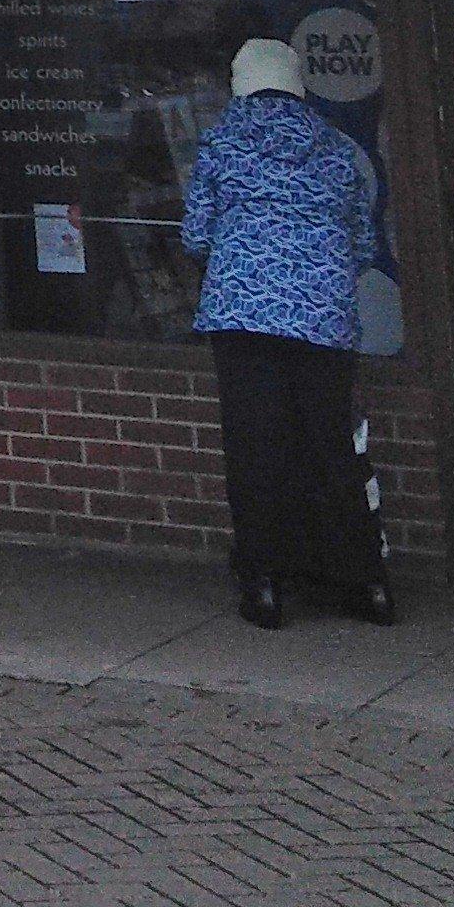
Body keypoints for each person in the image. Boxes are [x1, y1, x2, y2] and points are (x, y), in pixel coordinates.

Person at [181, 36, 391, 629]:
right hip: (323, 317)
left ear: (240, 79)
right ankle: (366, 583)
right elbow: (363, 242)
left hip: (243, 317)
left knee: (256, 447)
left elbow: (197, 234)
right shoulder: (333, 146)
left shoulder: (222, 140)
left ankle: (265, 582)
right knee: (331, 445)